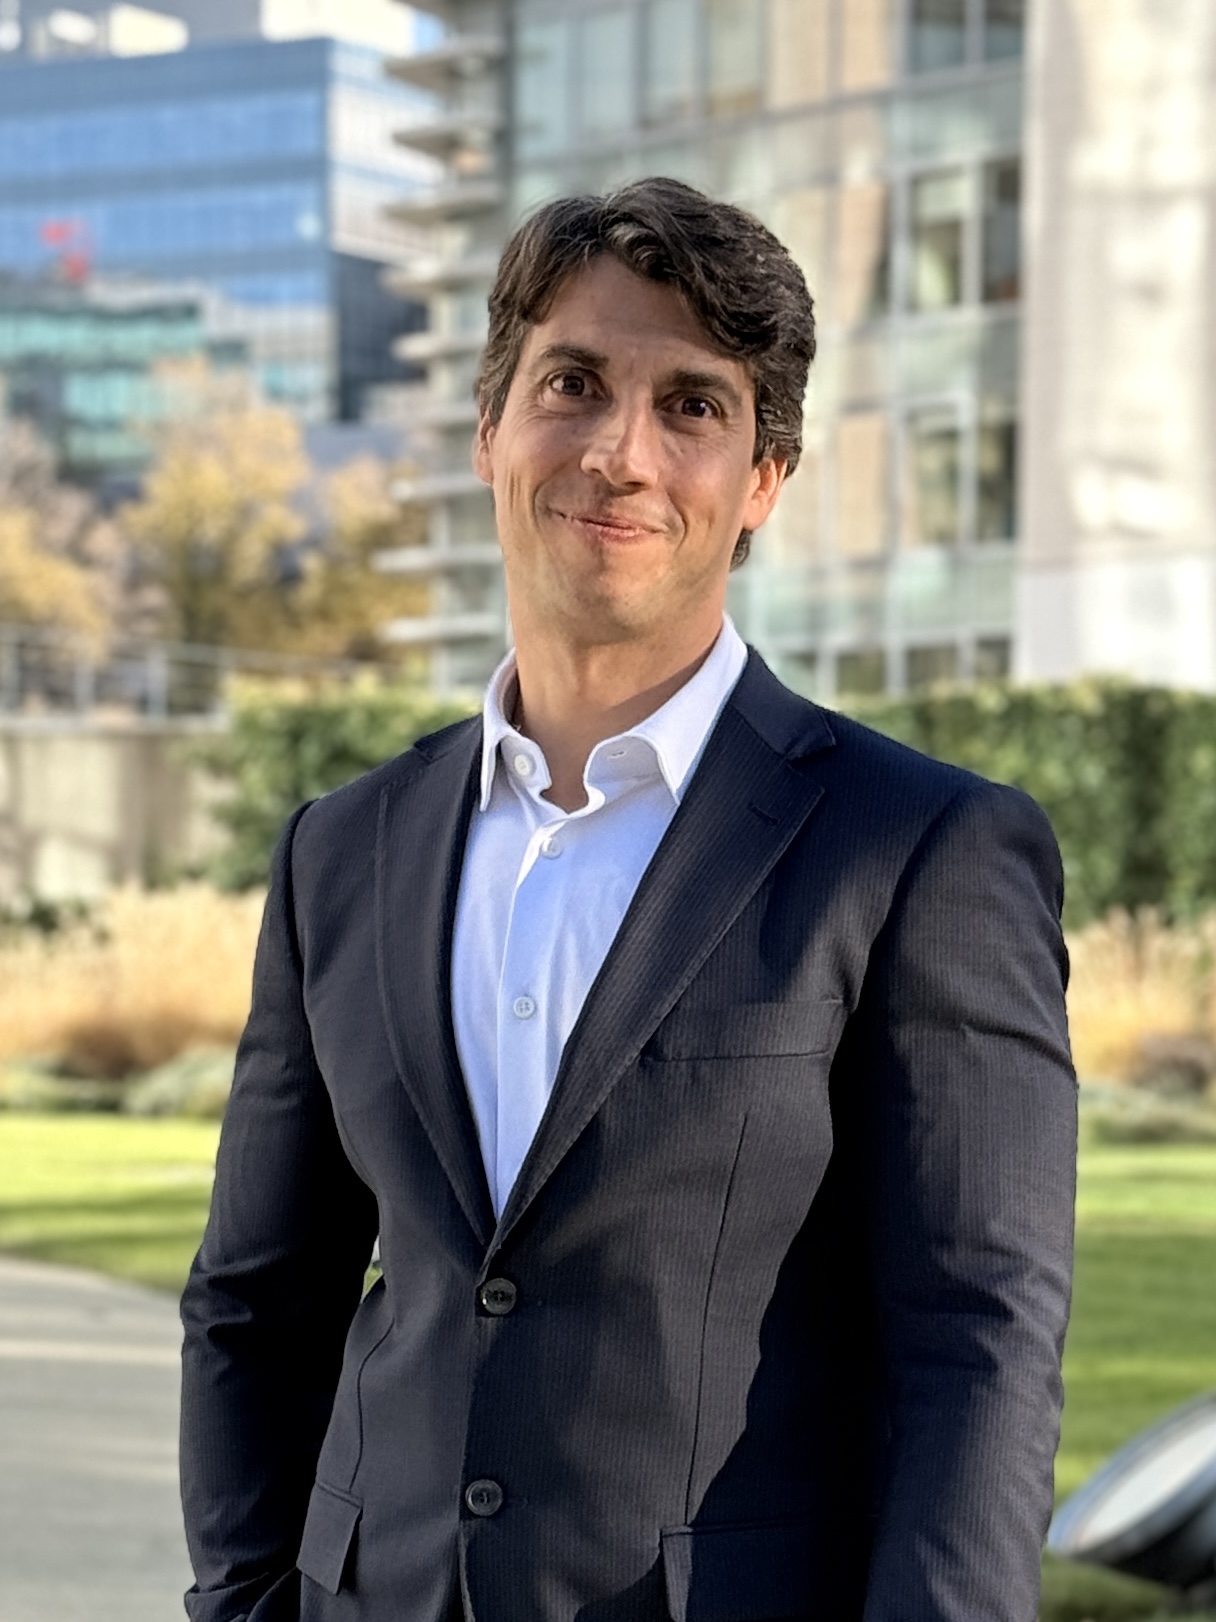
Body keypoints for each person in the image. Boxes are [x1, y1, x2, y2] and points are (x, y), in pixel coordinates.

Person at [180, 177, 1076, 1622]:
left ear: (763, 480)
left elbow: (979, 1339)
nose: (619, 453)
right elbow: (254, 1300)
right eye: (574, 383)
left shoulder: (920, 849)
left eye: (692, 406)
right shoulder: (341, 850)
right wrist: (240, 1602)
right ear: (490, 427)